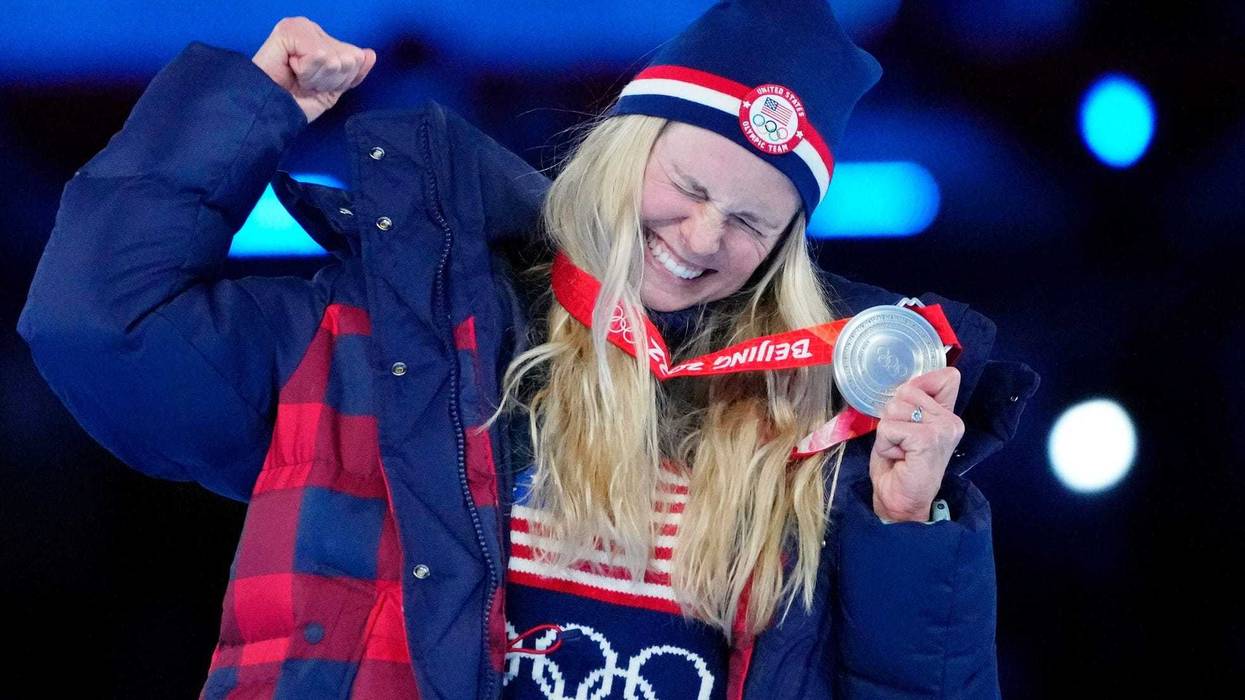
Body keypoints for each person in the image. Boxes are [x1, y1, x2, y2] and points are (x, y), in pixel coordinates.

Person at [18, 2, 1039, 698]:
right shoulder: (389, 342)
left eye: (750, 222)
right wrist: (251, 109)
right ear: (621, 153)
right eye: (685, 188)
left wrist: (908, 522)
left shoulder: (806, 436)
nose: (700, 238)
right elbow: (102, 323)